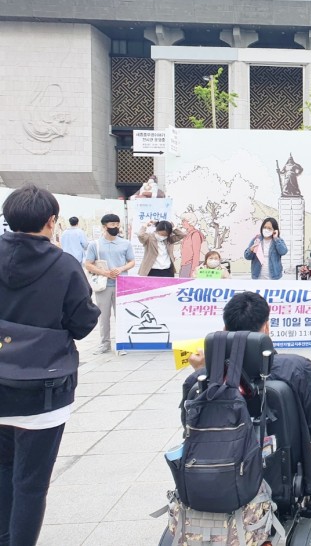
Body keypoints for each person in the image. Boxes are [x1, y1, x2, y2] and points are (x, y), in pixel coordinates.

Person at [0, 185, 100, 546]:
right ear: (51, 220)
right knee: (30, 484)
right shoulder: (64, 265)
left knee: (2, 473)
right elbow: (82, 323)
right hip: (42, 393)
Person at [184, 292, 311, 439]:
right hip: (280, 458)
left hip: (220, 459)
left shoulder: (196, 379)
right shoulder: (296, 368)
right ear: (266, 327)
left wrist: (203, 372)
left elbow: (190, 426)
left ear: (225, 330)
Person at [85, 214, 136, 355]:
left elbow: (132, 261)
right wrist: (105, 273)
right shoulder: (95, 245)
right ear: (104, 226)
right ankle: (105, 344)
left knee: (121, 316)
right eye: (112, 224)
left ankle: (121, 344)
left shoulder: (125, 243)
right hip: (103, 285)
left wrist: (121, 269)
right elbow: (88, 264)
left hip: (122, 284)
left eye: (117, 224)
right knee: (103, 316)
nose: (115, 227)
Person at [179, 212, 205, 278]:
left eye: (183, 221)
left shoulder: (195, 234)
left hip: (190, 265)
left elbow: (196, 253)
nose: (182, 223)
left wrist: (194, 270)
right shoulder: (187, 234)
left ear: (189, 221)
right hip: (185, 264)